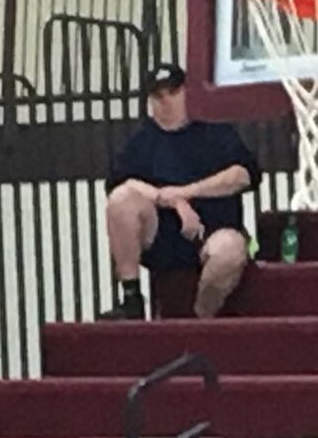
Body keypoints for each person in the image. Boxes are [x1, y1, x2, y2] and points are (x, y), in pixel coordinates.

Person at [100, 61, 258, 320]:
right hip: (162, 237)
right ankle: (131, 298)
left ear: (188, 92)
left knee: (229, 250)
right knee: (121, 201)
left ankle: (200, 316)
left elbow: (244, 175)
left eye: (173, 93)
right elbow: (120, 184)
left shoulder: (215, 131)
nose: (166, 101)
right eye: (158, 96)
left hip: (214, 231)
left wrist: (188, 192)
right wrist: (170, 200)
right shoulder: (141, 142)